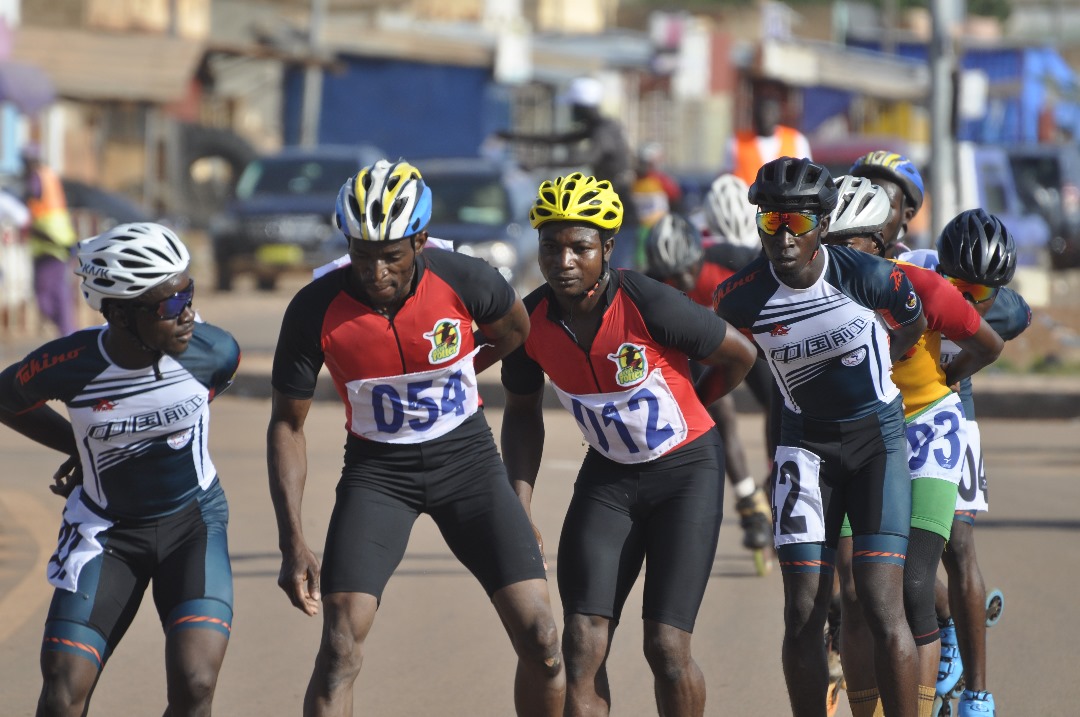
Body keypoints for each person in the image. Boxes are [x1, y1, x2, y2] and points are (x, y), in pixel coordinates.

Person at [267, 159, 565, 717]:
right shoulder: (314, 308)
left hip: (468, 463)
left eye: (391, 255)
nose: (375, 271)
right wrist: (293, 542)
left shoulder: (467, 279)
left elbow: (515, 331)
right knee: (338, 650)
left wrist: (461, 369)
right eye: (362, 254)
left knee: (543, 638)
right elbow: (287, 424)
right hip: (378, 476)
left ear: (420, 241)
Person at [501, 173, 757, 716]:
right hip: (610, 478)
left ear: (608, 248)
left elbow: (740, 354)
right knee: (581, 641)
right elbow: (522, 413)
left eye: (580, 247)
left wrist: (698, 400)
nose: (564, 261)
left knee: (666, 647)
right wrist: (519, 504)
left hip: (686, 473)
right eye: (551, 246)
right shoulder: (530, 323)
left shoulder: (648, 302)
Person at [713, 157, 927, 717]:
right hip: (805, 447)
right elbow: (725, 360)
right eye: (771, 221)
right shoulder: (737, 298)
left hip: (877, 442)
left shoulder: (870, 276)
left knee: (879, 603)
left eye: (798, 223)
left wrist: (885, 358)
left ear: (824, 224)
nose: (783, 237)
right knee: (802, 612)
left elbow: (913, 322)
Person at [0, 222, 239, 717]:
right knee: (63, 693)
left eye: (189, 293)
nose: (188, 313)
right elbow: (6, 398)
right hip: (106, 532)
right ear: (119, 314)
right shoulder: (70, 363)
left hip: (192, 524)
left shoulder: (215, 353)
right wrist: (78, 446)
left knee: (196, 683)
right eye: (170, 305)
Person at [823, 178, 1004, 717]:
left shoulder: (922, 284)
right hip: (861, 433)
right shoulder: (813, 291)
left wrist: (948, 376)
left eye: (848, 243)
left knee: (915, 581)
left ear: (879, 244)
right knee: (856, 590)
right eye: (829, 241)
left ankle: (936, 701)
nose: (834, 254)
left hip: (927, 427)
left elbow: (990, 342)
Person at [902, 209, 1030, 717]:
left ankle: (978, 695)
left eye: (981, 293)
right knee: (901, 548)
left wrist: (955, 370)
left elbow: (1016, 319)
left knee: (958, 545)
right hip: (898, 405)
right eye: (958, 287)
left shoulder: (1006, 309)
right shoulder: (913, 273)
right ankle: (949, 617)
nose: (968, 301)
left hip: (953, 402)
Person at [642, 212, 775, 572]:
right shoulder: (651, 282)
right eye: (674, 275)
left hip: (747, 339)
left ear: (700, 253)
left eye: (688, 269)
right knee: (720, 414)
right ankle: (749, 504)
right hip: (703, 348)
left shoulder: (731, 259)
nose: (684, 280)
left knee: (776, 400)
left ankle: (774, 480)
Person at [496, 77, 640, 269]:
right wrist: (513, 137)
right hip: (613, 207)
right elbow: (558, 139)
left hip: (621, 211)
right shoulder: (597, 127)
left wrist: (539, 163)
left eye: (574, 107)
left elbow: (588, 156)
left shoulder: (604, 131)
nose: (572, 112)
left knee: (616, 270)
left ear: (583, 107)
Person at [21, 144, 79, 336]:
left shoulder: (36, 177)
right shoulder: (48, 174)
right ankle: (67, 332)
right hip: (56, 242)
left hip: (51, 244)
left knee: (48, 295)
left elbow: (30, 199)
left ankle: (67, 332)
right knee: (57, 292)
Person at [723, 79, 812, 187]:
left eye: (770, 112)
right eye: (762, 111)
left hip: (783, 197)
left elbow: (807, 177)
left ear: (779, 114)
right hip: (747, 197)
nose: (766, 117)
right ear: (754, 113)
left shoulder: (797, 140)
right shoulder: (736, 141)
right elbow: (726, 178)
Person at [849, 150, 925, 257]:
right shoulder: (830, 261)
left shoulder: (921, 266)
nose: (868, 212)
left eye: (883, 205)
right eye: (863, 202)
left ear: (907, 215)